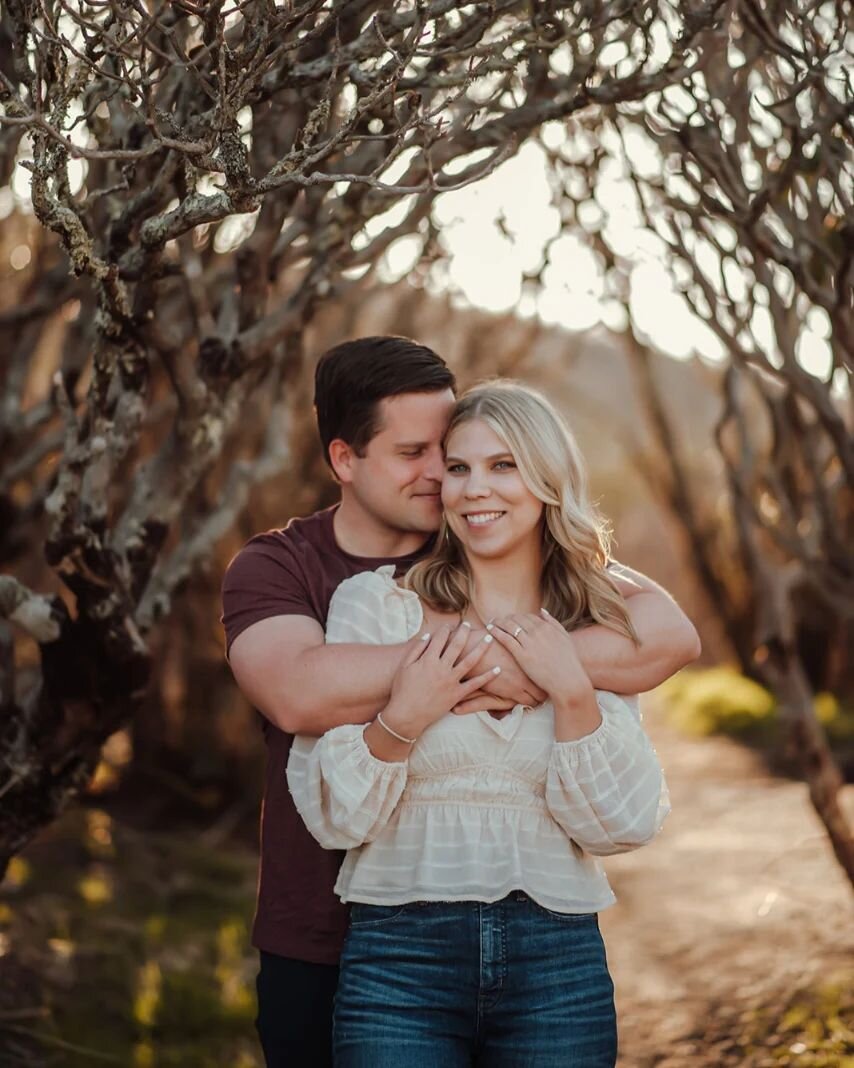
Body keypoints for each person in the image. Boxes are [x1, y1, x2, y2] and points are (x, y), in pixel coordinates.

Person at [222, 338, 700, 1067]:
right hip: (328, 935)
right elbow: (295, 693)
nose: (448, 480)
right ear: (345, 460)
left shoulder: (526, 566)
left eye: (466, 457)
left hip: (547, 947)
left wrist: (555, 670)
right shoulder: (294, 570)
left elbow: (668, 633)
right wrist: (469, 671)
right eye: (425, 455)